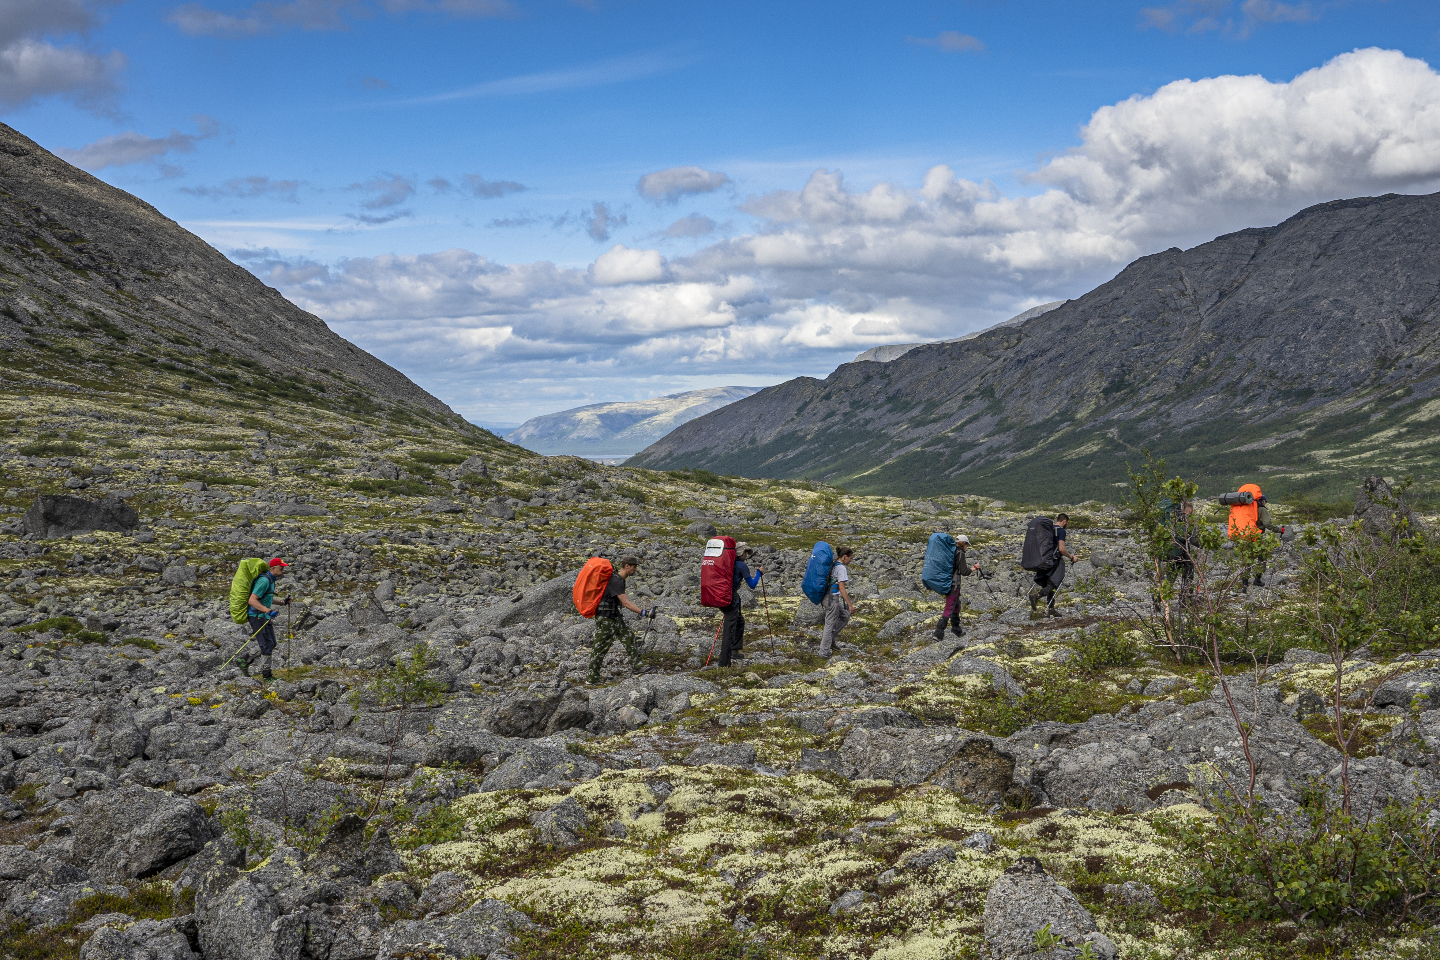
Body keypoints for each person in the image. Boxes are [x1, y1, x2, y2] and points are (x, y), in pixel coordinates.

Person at [589, 556, 655, 684]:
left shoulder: (619, 580)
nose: (635, 570)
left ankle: (637, 667)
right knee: (601, 647)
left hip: (614, 616)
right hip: (606, 617)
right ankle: (592, 679)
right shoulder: (616, 581)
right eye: (634, 567)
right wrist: (645, 613)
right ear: (627, 566)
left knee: (629, 637)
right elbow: (626, 603)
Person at [244, 557, 291, 680]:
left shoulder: (271, 580)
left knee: (272, 643)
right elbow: (252, 600)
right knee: (266, 645)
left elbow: (267, 597)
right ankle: (267, 676)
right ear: (273, 568)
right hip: (257, 616)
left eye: (283, 568)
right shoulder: (264, 581)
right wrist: (268, 611)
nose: (283, 570)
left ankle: (247, 659)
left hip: (264, 616)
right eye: (281, 568)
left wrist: (282, 602)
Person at [718, 542, 763, 667]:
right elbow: (752, 585)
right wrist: (759, 573)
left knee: (739, 621)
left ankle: (735, 650)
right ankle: (724, 663)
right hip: (731, 599)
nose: (746, 555)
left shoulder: (728, 563)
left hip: (724, 596)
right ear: (741, 553)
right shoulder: (741, 565)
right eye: (746, 552)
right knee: (729, 629)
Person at [1029, 514, 1078, 618]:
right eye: (1067, 523)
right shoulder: (1061, 531)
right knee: (1055, 583)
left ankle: (1051, 609)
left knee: (1048, 582)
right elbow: (1061, 549)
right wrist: (1071, 557)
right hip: (1055, 560)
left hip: (1043, 560)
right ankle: (1036, 596)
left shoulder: (1047, 529)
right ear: (1064, 521)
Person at [934, 535, 980, 640]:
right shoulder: (960, 553)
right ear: (963, 543)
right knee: (949, 608)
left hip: (946, 582)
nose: (967, 546)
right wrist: (974, 568)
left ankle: (956, 630)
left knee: (956, 606)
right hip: (953, 585)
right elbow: (964, 571)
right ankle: (938, 633)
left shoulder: (950, 551)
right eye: (967, 544)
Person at [1227, 482, 1271, 589]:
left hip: (1242, 536)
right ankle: (1257, 580)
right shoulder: (1261, 509)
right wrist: (1279, 530)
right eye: (1265, 501)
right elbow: (1267, 524)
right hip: (1255, 537)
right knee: (1262, 558)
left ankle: (1245, 585)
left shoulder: (1243, 508)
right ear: (1262, 501)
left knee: (1246, 560)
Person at [819, 546, 855, 658]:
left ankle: (831, 642)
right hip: (832, 599)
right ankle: (823, 652)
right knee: (829, 625)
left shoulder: (833, 564)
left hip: (827, 597)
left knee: (844, 616)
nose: (850, 560)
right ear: (844, 557)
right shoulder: (841, 568)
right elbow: (842, 589)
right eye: (850, 558)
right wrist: (850, 605)